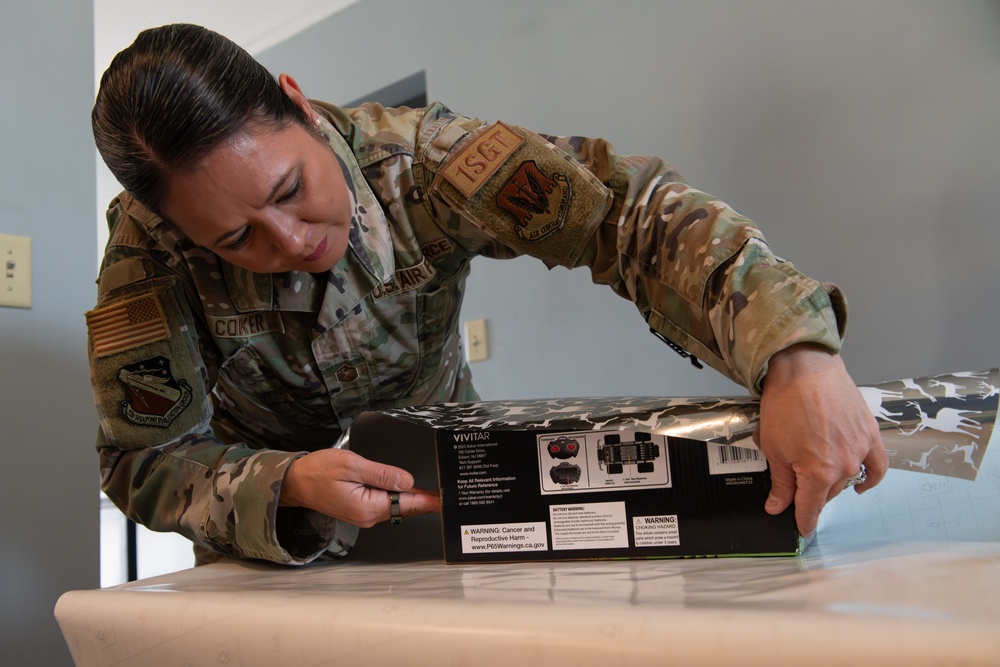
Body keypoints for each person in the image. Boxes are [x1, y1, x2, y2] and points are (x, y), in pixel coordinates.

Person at [87, 23, 887, 565]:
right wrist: (283, 482)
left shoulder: (427, 163)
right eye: (236, 239)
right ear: (178, 229)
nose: (291, 240)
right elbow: (141, 459)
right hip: (270, 548)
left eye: (292, 188)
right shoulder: (145, 256)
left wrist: (797, 353)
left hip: (453, 496)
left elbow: (630, 216)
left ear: (296, 102)